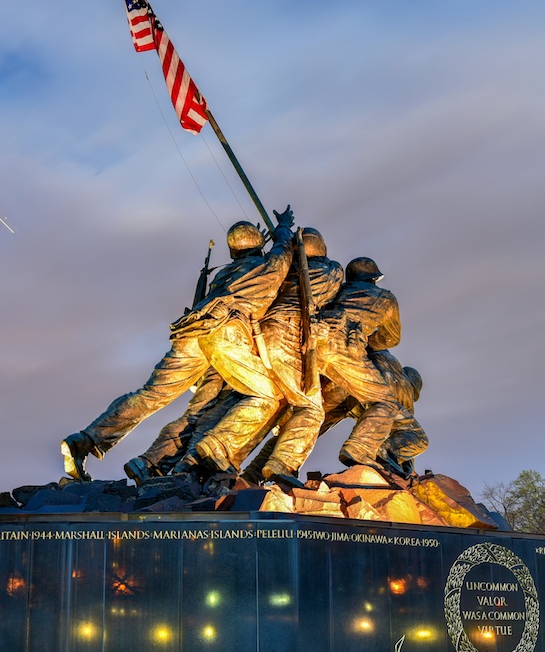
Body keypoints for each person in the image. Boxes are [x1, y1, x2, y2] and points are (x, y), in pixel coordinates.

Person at [62, 208, 296, 480]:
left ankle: (86, 440)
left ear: (232, 254)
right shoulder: (270, 267)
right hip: (226, 335)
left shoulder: (224, 276)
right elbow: (284, 247)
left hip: (192, 332)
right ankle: (214, 449)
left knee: (151, 395)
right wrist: (284, 225)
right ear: (259, 247)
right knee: (268, 396)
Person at [190, 228, 343, 485]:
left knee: (270, 402)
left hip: (260, 337)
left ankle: (221, 460)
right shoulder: (331, 271)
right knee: (311, 408)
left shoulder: (281, 273)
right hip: (290, 336)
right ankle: (280, 464)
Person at [314, 256, 402, 471]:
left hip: (311, 345)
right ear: (373, 279)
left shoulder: (334, 290)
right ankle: (359, 449)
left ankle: (260, 466)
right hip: (344, 352)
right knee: (385, 403)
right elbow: (391, 338)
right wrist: (367, 340)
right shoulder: (384, 298)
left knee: (309, 412)